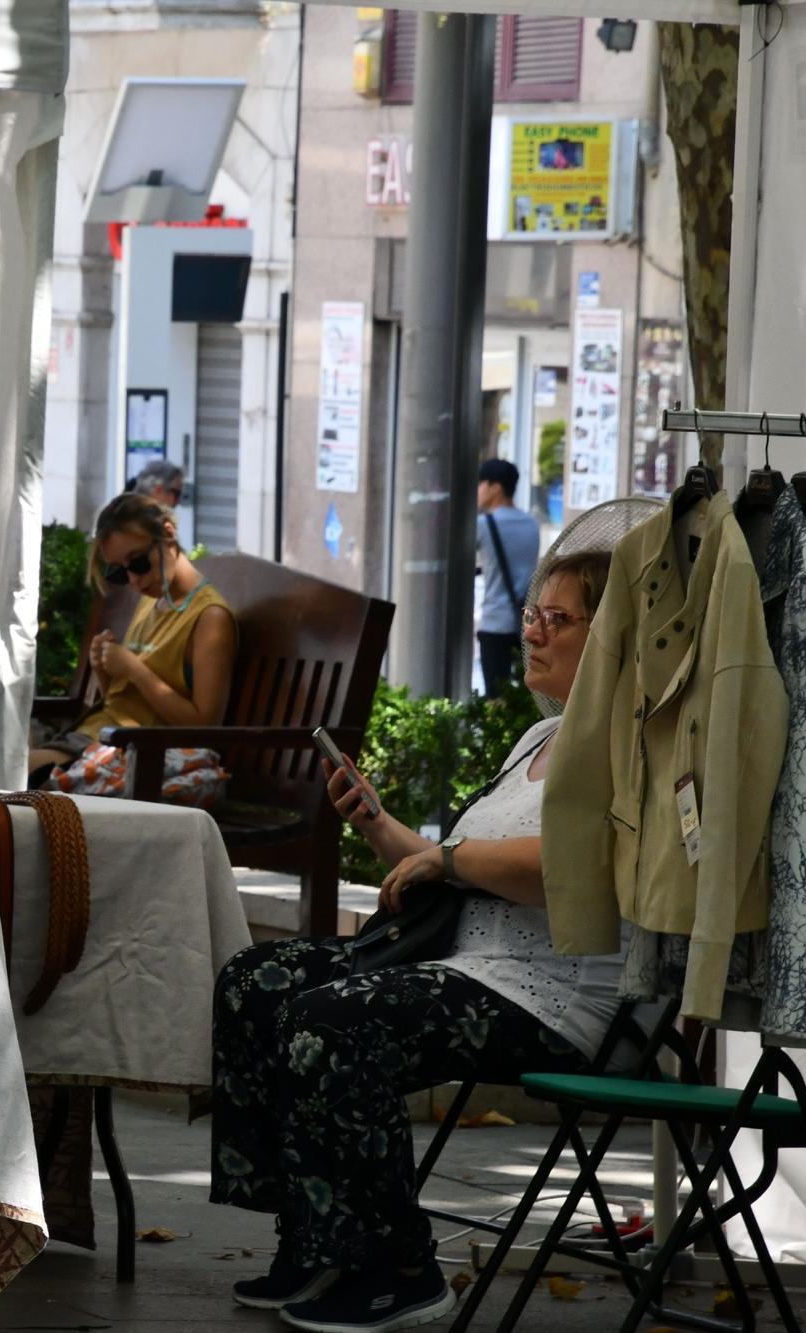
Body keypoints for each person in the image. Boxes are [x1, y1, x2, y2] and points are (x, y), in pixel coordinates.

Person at [208, 549, 627, 1333]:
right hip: (463, 965)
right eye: (532, 614)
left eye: (555, 619)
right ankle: (314, 1233)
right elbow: (448, 870)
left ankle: (400, 1266)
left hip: (552, 994)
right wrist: (376, 821)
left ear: (611, 634)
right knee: (254, 980)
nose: (531, 631)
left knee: (335, 1018)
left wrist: (452, 857)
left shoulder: (625, 744)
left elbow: (579, 870)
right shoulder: (537, 739)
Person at [28, 491, 237, 799]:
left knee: (7, 777)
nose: (134, 579)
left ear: (168, 534)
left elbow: (204, 726)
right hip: (99, 740)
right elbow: (122, 701)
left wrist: (133, 668)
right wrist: (104, 669)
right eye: (120, 571)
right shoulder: (153, 601)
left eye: (138, 563)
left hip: (135, 754)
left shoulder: (209, 618)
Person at [475, 457, 540, 698]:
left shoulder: (484, 524)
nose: (478, 491)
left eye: (482, 483)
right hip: (524, 626)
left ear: (495, 488)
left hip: (494, 623)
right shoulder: (532, 524)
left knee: (495, 698)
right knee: (524, 698)